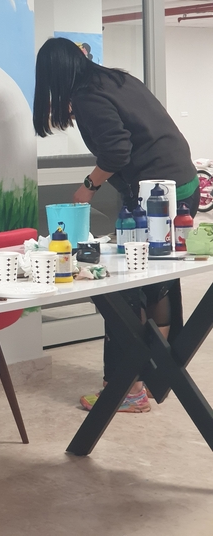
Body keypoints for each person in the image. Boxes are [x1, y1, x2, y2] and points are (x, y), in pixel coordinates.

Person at [33, 37, 198, 414]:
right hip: (180, 184)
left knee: (126, 287)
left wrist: (88, 187)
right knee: (158, 280)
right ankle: (155, 375)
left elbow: (116, 151)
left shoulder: (88, 96)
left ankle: (126, 387)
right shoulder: (116, 79)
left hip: (156, 194)